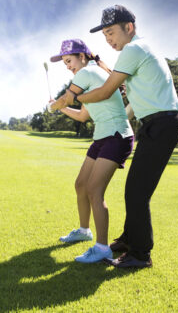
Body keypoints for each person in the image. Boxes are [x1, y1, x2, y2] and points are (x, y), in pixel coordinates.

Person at [60, 5, 178, 268]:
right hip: (154, 124)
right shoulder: (137, 51)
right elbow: (118, 86)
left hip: (162, 123)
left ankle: (140, 254)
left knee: (137, 192)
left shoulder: (133, 49)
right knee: (134, 190)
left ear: (129, 27)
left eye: (111, 32)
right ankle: (129, 239)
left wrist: (73, 97)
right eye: (104, 35)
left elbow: (105, 91)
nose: (108, 39)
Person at [47, 39, 134, 264]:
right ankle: (84, 230)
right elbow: (83, 115)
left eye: (69, 60)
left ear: (82, 57)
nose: (67, 66)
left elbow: (66, 98)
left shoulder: (86, 74)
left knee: (95, 190)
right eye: (65, 62)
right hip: (102, 137)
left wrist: (53, 105)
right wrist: (61, 107)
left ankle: (102, 248)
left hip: (117, 136)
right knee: (81, 185)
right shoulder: (89, 79)